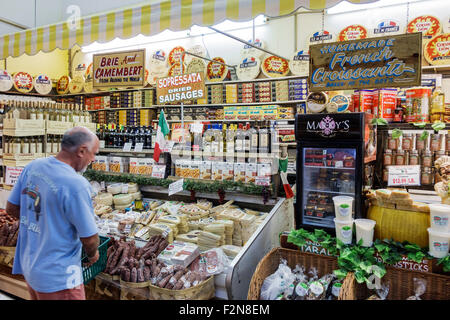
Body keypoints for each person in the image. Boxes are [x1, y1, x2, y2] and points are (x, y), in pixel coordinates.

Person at [6, 126, 100, 300]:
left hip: (30, 266)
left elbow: (11, 208)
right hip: (60, 277)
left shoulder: (33, 166)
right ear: (81, 151)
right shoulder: (76, 184)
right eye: (93, 153)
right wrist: (93, 254)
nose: (93, 159)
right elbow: (90, 238)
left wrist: (40, 224)